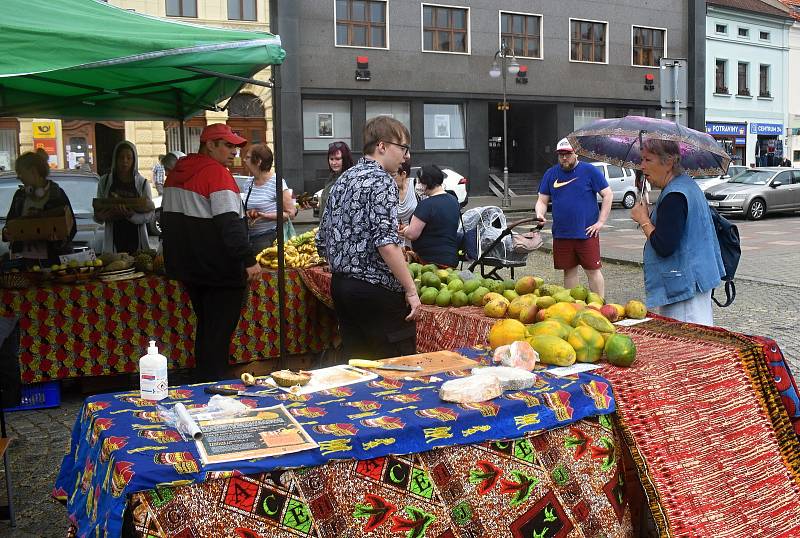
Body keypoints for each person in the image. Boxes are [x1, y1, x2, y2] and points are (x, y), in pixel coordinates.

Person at [161, 123, 262, 383]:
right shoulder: (216, 174)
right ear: (210, 145)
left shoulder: (175, 174)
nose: (234, 152)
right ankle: (213, 388)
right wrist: (248, 260)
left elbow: (168, 223)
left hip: (190, 269)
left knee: (207, 331)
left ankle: (204, 382)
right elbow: (230, 224)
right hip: (220, 271)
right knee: (216, 336)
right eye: (227, 145)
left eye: (235, 147)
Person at [316, 116, 421, 361]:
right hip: (377, 292)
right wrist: (411, 290)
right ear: (382, 146)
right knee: (395, 368)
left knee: (358, 366)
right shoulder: (382, 181)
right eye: (403, 148)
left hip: (342, 287)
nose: (405, 156)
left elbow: (322, 238)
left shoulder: (344, 179)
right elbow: (386, 243)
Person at [630, 138, 725, 325]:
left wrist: (644, 220)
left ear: (669, 162)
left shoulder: (674, 196)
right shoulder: (685, 185)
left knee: (689, 342)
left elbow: (664, 245)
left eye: (648, 160)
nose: (642, 166)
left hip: (684, 289)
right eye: (642, 160)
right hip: (694, 281)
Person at [535, 138, 613, 297]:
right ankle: (573, 307)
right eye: (561, 154)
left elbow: (608, 194)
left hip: (587, 232)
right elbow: (542, 200)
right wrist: (539, 213)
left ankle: (599, 306)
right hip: (562, 233)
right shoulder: (551, 174)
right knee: (569, 272)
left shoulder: (589, 171)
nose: (564, 158)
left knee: (593, 271)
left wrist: (600, 222)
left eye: (568, 154)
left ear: (576, 153)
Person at [2, 151, 76, 264]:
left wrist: (59, 239)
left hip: (53, 260)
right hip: (24, 260)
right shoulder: (19, 196)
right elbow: (9, 223)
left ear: (33, 171)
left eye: (21, 173)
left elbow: (72, 227)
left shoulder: (57, 194)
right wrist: (6, 233)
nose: (18, 177)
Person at [94, 141, 154, 254]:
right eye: (121, 157)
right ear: (115, 159)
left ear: (134, 160)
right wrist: (106, 215)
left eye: (129, 158)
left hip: (137, 239)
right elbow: (98, 213)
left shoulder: (143, 183)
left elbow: (150, 214)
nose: (125, 161)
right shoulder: (104, 181)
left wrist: (132, 216)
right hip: (114, 238)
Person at [400, 164, 460, 267]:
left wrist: (405, 230)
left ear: (427, 182)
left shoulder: (426, 205)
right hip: (451, 258)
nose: (418, 185)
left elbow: (412, 235)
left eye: (419, 181)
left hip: (429, 261)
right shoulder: (453, 200)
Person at [242, 144, 296, 252]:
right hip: (248, 237)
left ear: (258, 161)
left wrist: (265, 216)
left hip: (268, 239)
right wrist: (248, 213)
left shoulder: (277, 182)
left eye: (247, 157)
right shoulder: (248, 183)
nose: (244, 160)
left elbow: (291, 213)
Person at [318, 141, 354, 218]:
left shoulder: (351, 179)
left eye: (337, 159)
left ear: (345, 159)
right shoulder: (331, 177)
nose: (334, 163)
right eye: (331, 159)